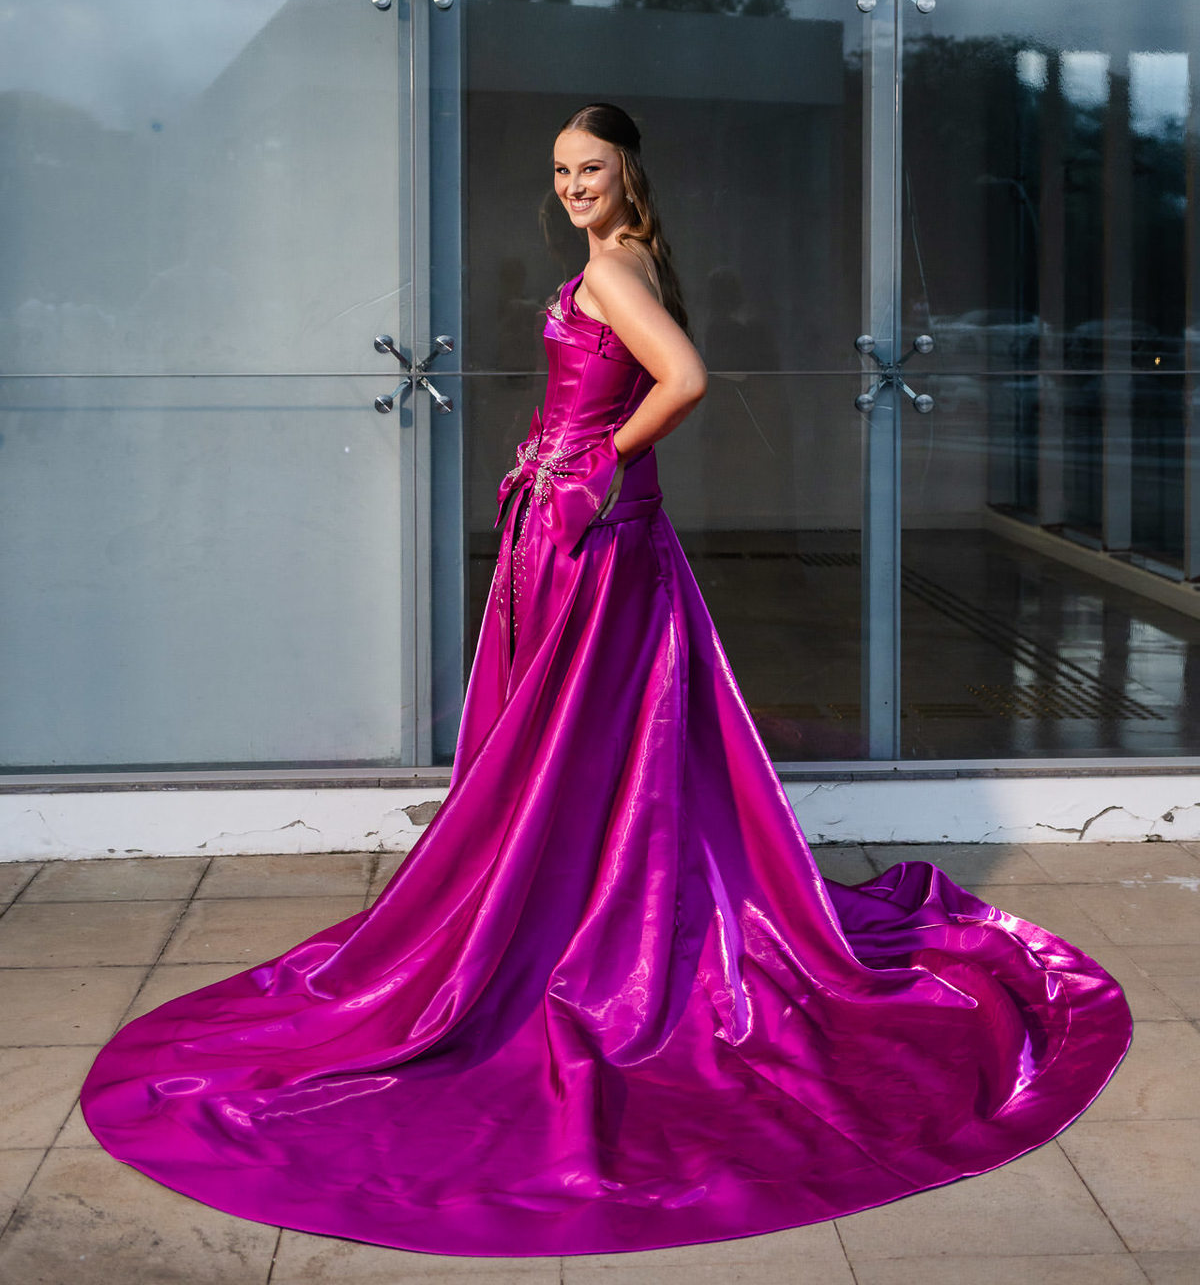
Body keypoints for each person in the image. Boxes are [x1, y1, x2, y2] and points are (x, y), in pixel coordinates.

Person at [81, 102, 1131, 1259]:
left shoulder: (619, 269)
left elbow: (683, 379)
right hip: (596, 528)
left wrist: (588, 463)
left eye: (591, 168)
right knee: (605, 740)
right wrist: (562, 461)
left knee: (586, 735)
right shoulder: (615, 258)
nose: (573, 185)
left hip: (594, 529)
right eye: (562, 171)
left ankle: (572, 927)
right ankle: (589, 907)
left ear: (628, 171)